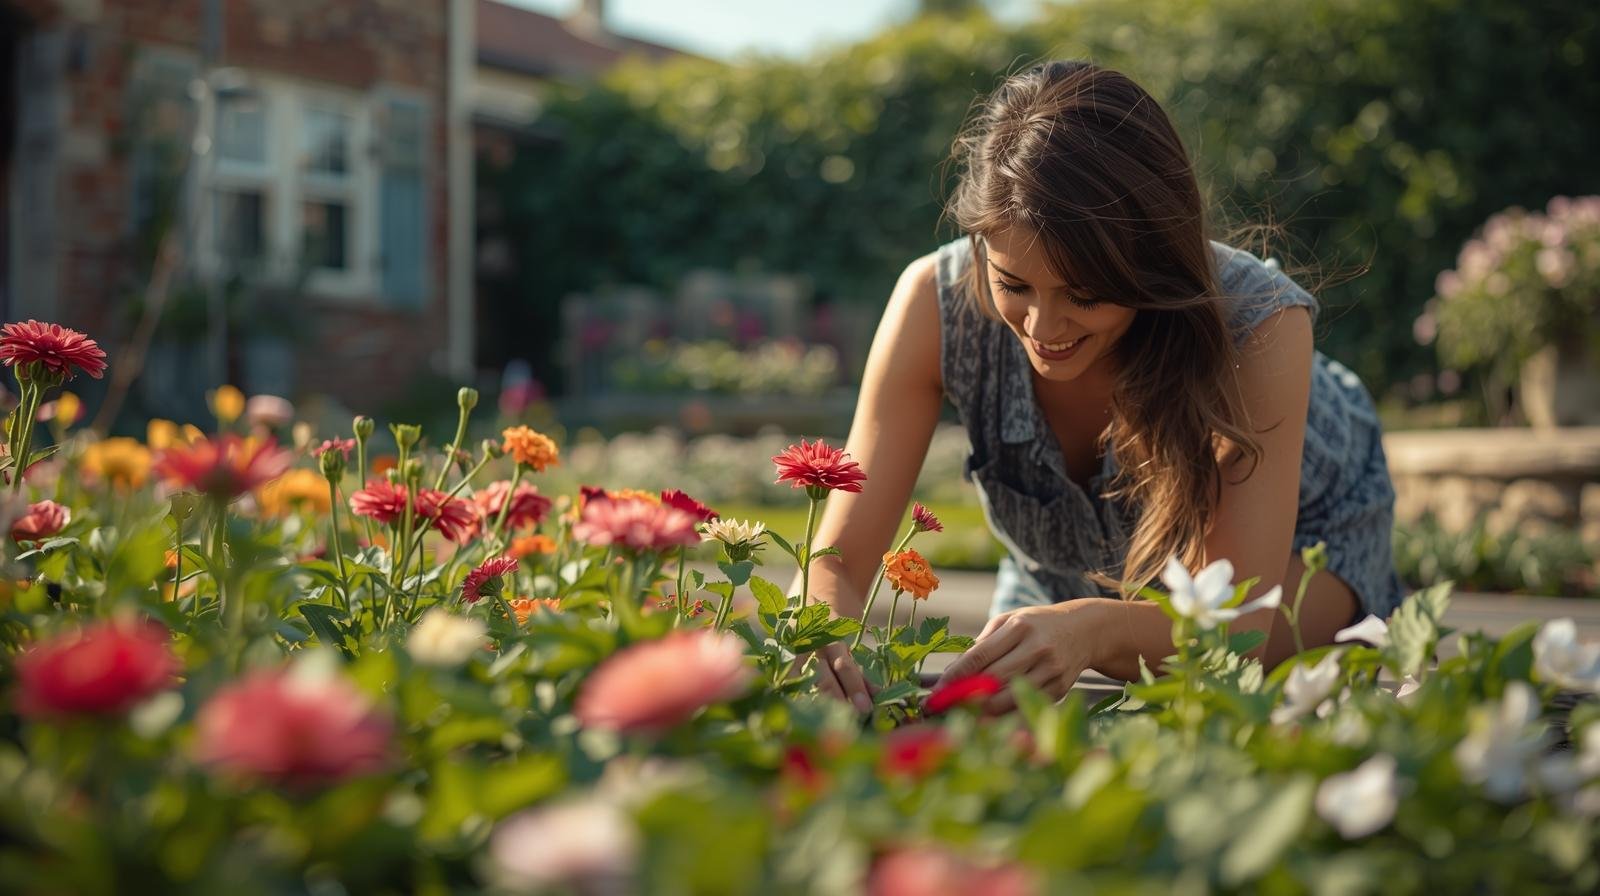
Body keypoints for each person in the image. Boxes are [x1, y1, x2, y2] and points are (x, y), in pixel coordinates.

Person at [802, 61, 1404, 714]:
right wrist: (821, 639)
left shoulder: (1261, 321)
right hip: (1061, 590)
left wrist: (1092, 630)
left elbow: (1236, 630)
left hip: (1298, 557)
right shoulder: (933, 302)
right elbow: (840, 561)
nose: (1044, 329)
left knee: (1258, 711)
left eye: (1085, 295)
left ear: (1154, 262)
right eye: (1014, 285)